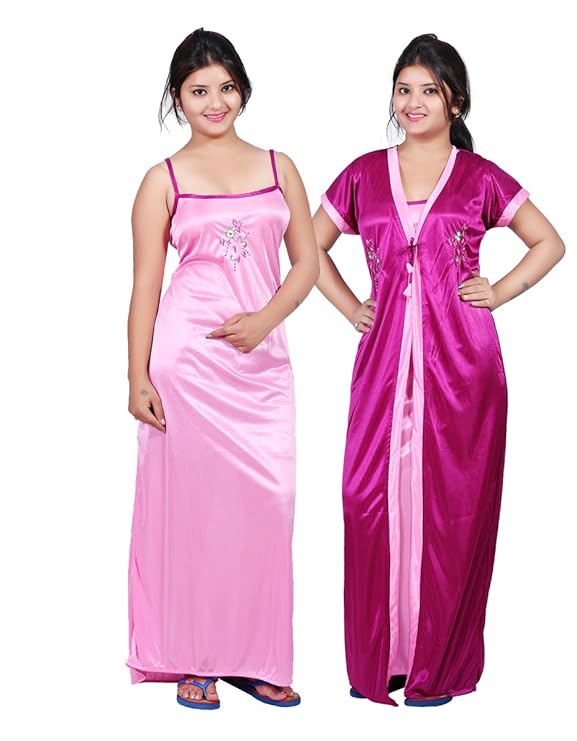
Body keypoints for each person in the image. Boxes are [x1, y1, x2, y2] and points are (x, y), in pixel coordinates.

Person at [312, 33, 565, 707]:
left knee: (452, 510)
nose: (414, 101)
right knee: (368, 501)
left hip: (463, 366)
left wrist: (498, 290)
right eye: (404, 89)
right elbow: (305, 245)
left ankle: (437, 664)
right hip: (382, 366)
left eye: (429, 89)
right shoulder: (363, 174)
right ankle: (383, 659)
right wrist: (351, 306)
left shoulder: (480, 177)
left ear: (455, 100)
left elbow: (549, 242)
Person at [126, 28, 318, 710]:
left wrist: (266, 319)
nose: (215, 101)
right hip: (189, 363)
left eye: (226, 87)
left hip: (262, 365)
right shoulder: (163, 180)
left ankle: (257, 655)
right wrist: (137, 376)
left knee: (270, 504)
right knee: (196, 514)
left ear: (243, 91)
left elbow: (307, 263)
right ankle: (196, 656)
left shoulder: (279, 166)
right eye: (199, 90)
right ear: (177, 99)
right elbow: (146, 286)